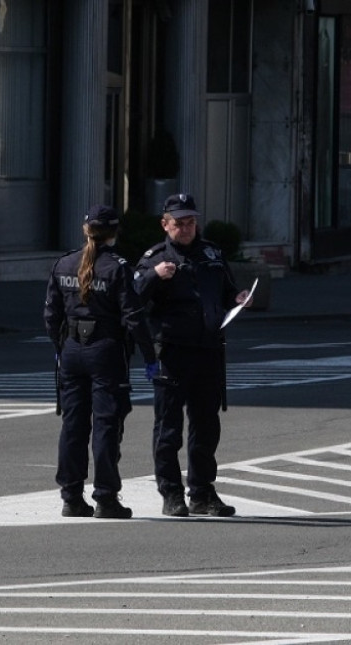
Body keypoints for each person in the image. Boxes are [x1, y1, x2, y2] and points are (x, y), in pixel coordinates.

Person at [133, 193, 252, 517]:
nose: (186, 229)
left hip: (209, 350)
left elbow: (227, 290)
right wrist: (155, 275)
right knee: (168, 427)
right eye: (179, 223)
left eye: (191, 222)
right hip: (172, 351)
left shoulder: (211, 252)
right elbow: (133, 298)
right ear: (165, 224)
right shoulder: (155, 257)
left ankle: (202, 492)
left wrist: (239, 297)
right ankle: (171, 493)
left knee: (206, 425)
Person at [44, 204, 157, 519]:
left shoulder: (64, 263)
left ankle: (71, 497)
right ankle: (106, 498)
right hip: (106, 351)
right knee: (107, 424)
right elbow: (134, 317)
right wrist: (151, 358)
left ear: (85, 230)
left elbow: (50, 315)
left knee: (73, 425)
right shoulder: (118, 267)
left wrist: (59, 347)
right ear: (115, 231)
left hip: (71, 351)